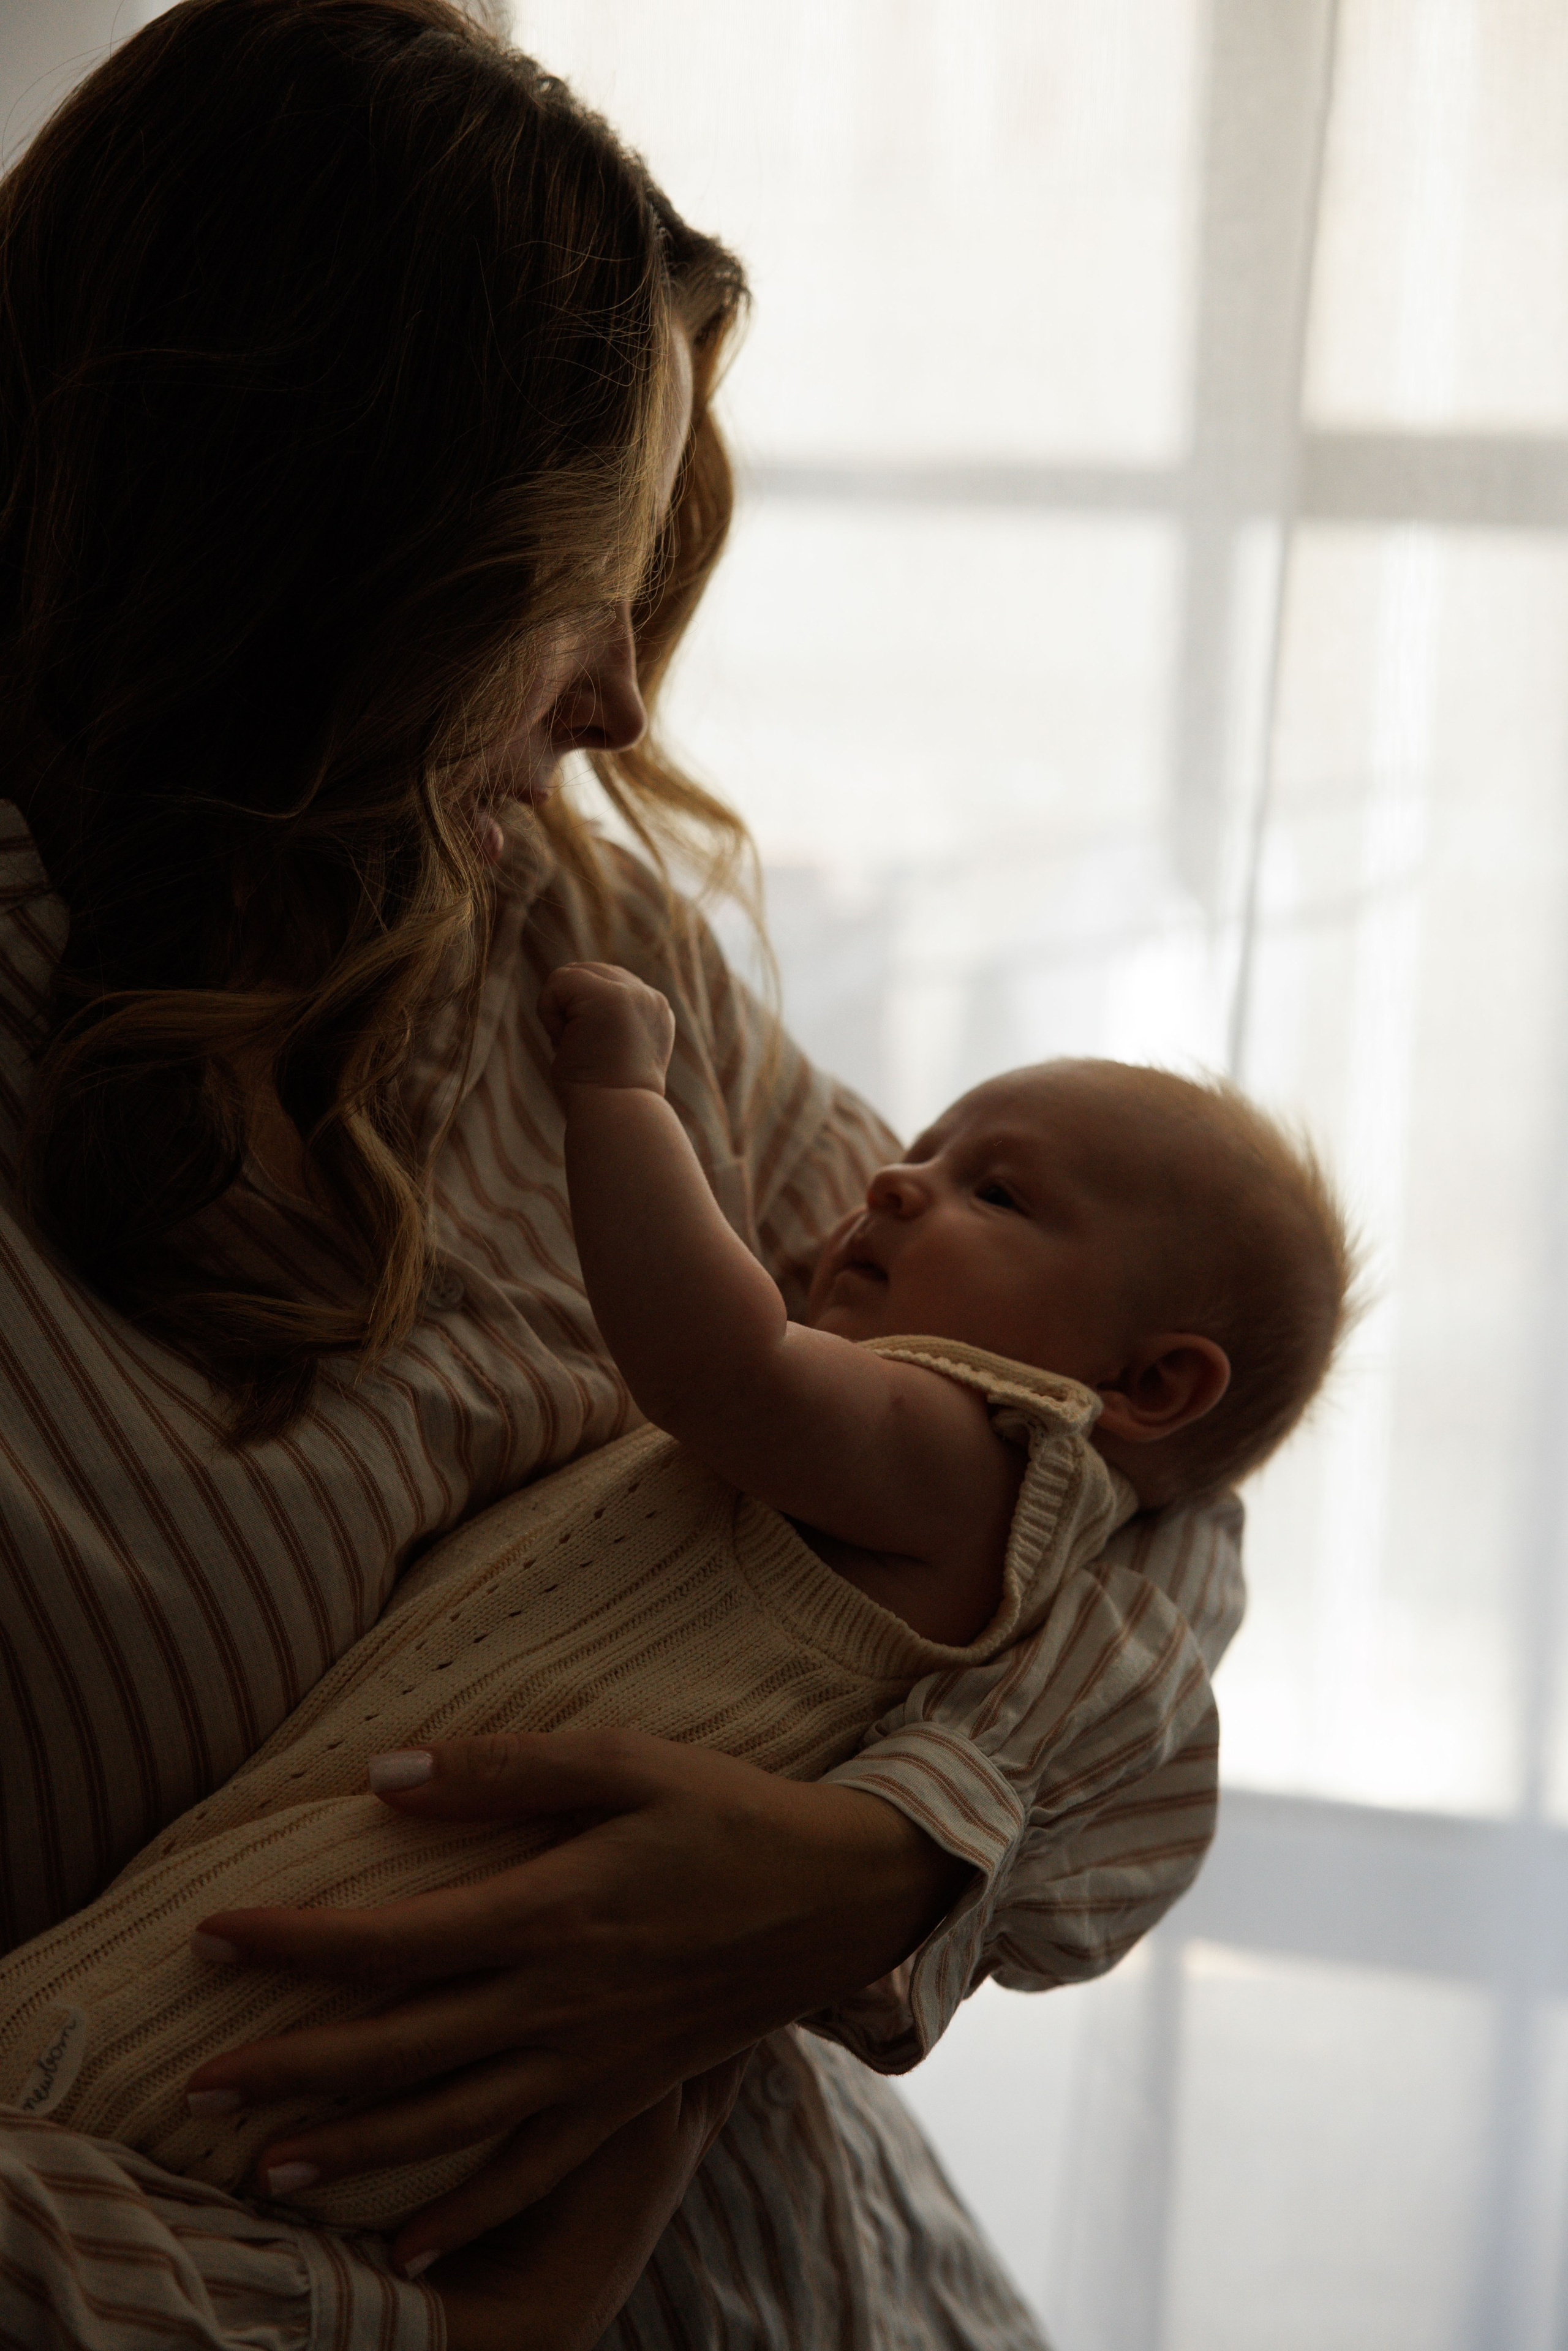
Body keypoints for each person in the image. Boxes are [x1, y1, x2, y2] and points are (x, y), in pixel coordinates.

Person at [0, 5, 1246, 2347]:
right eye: (563, 591)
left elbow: (1143, 1462)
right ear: (306, 576)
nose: (616, 710)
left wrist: (879, 1856)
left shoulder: (555, 928)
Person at [0, 984, 1353, 2252]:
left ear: (1151, 1383)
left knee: (143, 2086)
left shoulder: (976, 1455)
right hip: (378, 1908)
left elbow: (718, 1358)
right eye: (928, 1150)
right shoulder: (931, 1441)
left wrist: (619, 1089)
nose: (891, 1177)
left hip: (415, 1934)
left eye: (990, 1190)